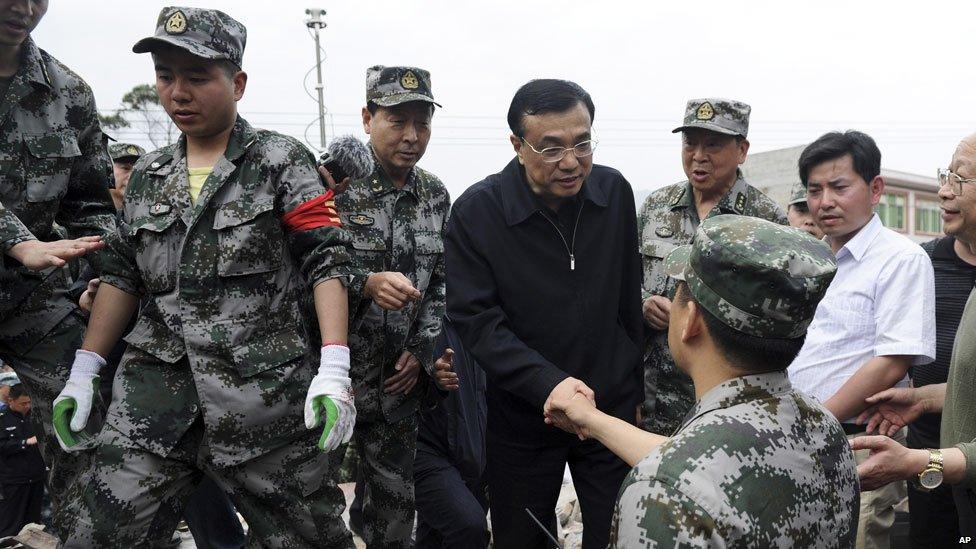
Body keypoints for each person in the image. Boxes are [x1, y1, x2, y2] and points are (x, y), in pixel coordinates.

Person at [53, 8, 355, 547]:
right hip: (153, 405)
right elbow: (123, 278)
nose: (178, 93)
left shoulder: (281, 162)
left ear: (237, 83)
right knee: (96, 535)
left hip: (263, 403)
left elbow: (327, 261)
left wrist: (334, 366)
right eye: (166, 76)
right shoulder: (148, 175)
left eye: (197, 77)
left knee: (314, 539)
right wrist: (86, 369)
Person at [550, 214, 858, 547]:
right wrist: (592, 420)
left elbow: (686, 471)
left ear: (691, 320)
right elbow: (706, 462)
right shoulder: (824, 426)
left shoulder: (663, 496)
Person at [445, 78, 643, 548]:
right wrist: (546, 384)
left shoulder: (614, 192)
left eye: (582, 143)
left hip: (608, 408)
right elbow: (477, 321)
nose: (572, 162)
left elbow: (625, 300)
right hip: (523, 414)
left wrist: (633, 387)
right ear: (517, 144)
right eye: (551, 148)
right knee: (524, 537)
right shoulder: (477, 212)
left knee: (617, 533)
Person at [788, 130, 936, 549]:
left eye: (838, 187)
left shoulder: (900, 258)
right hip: (797, 435)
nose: (824, 201)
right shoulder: (809, 259)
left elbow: (892, 360)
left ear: (875, 189)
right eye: (814, 190)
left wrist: (814, 424)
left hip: (857, 442)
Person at [0, 0, 116, 511]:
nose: (25, 8)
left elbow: (92, 205)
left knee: (85, 412)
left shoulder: (68, 91)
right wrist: (16, 240)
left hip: (34, 298)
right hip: (27, 259)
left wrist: (106, 280)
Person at [336, 65, 449, 548]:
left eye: (421, 123)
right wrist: (363, 283)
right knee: (309, 508)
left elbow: (443, 281)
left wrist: (422, 353)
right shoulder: (333, 185)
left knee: (395, 514)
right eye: (397, 121)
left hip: (398, 385)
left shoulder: (435, 194)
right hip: (334, 381)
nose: (411, 136)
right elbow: (297, 272)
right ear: (367, 118)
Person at [638, 98, 787, 435]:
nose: (698, 155)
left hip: (730, 404)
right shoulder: (657, 207)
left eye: (714, 145)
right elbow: (622, 280)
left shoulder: (766, 219)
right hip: (655, 398)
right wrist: (643, 304)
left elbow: (775, 316)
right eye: (690, 143)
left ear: (742, 150)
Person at [853, 134, 976, 540]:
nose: (943, 191)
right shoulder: (924, 261)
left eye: (959, 179)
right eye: (945, 176)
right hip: (932, 444)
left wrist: (925, 462)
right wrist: (921, 399)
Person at [414, 319, 488, 549]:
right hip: (420, 446)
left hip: (470, 447)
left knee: (435, 535)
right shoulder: (415, 307)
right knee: (468, 526)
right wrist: (430, 378)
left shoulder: (475, 314)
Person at [0, 384, 47, 537]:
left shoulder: (36, 416)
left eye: (29, 402)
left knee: (34, 524)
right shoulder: (3, 420)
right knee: (11, 523)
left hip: (36, 477)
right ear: (11, 401)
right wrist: (24, 443)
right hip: (14, 480)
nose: (27, 406)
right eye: (23, 403)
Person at [107, 142, 146, 211]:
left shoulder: (151, 215)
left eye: (138, 171)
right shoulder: (87, 213)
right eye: (125, 168)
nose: (132, 176)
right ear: (108, 169)